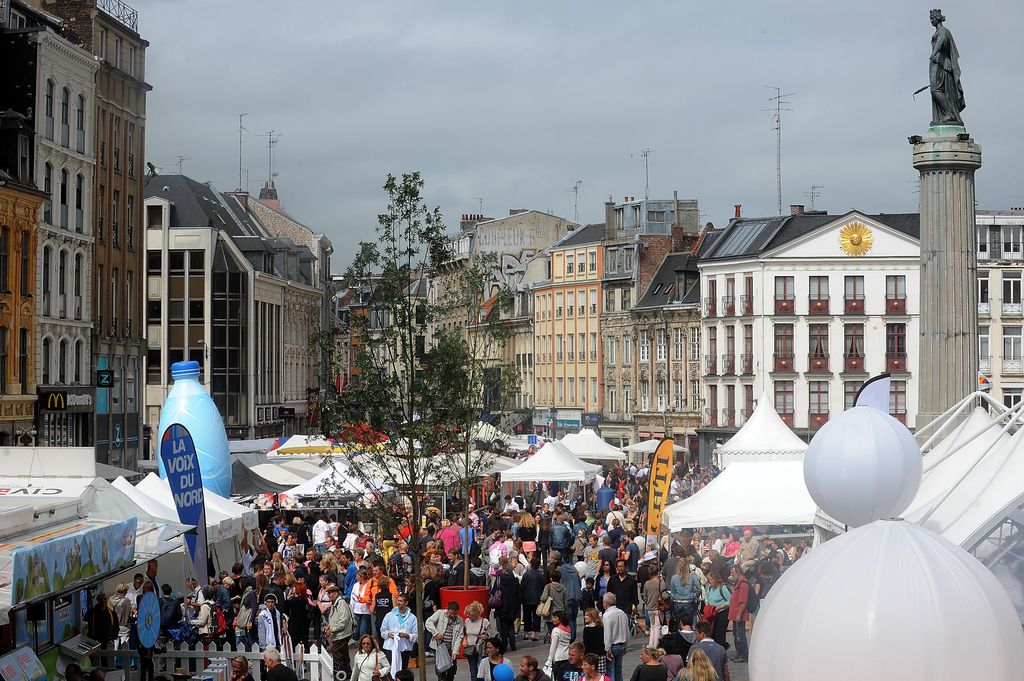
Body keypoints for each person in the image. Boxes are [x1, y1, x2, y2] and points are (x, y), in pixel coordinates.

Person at [425, 601, 465, 681]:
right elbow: (428, 622)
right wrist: (436, 633)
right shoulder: (440, 613)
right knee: (441, 671)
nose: (452, 615)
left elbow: (459, 637)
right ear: (447, 609)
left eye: (455, 613)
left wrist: (455, 651)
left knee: (452, 671)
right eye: (451, 613)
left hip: (451, 648)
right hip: (439, 647)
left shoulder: (460, 620)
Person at [380, 593, 417, 673]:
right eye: (398, 600)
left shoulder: (413, 618)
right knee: (389, 669)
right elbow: (382, 631)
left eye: (401, 601)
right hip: (390, 647)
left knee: (402, 671)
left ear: (406, 603)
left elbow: (416, 636)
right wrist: (388, 634)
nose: (398, 602)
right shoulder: (389, 615)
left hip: (404, 649)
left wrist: (407, 635)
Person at [325, 584, 354, 679]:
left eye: (330, 593)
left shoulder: (341, 603)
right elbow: (335, 618)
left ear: (336, 593)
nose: (328, 595)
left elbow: (343, 620)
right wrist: (330, 626)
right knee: (344, 652)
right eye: (328, 593)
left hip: (342, 633)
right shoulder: (335, 603)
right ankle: (348, 673)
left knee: (336, 650)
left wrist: (333, 629)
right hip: (341, 633)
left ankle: (340, 674)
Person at [495, 562, 523, 651]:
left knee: (503, 626)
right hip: (513, 606)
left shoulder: (499, 580)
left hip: (502, 606)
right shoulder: (515, 580)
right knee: (511, 625)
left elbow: (493, 592)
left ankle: (504, 644)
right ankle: (512, 643)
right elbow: (519, 594)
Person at [601, 593, 629, 681]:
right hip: (621, 644)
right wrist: (626, 645)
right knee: (618, 670)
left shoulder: (607, 615)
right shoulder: (622, 613)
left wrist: (607, 648)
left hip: (612, 646)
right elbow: (626, 630)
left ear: (605, 603)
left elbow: (607, 633)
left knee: (610, 670)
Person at [462, 600, 491, 681]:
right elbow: (464, 633)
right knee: (473, 672)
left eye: (469, 614)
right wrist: (464, 640)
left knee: (483, 671)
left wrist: (486, 636)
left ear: (476, 613)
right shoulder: (467, 621)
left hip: (481, 649)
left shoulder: (484, 621)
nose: (468, 616)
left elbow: (492, 634)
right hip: (470, 649)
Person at [726, 566, 749, 663]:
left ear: (738, 572)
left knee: (740, 636)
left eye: (732, 573)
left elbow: (743, 601)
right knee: (736, 635)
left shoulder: (743, 584)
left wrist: (739, 614)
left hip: (739, 615)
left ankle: (743, 655)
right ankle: (739, 654)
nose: (731, 575)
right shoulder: (738, 584)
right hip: (735, 616)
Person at [669, 560, 700, 631]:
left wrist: (672, 599)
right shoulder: (692, 576)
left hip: (677, 601)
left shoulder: (674, 577)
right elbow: (698, 589)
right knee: (688, 622)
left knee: (678, 623)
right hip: (689, 601)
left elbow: (672, 592)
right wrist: (694, 596)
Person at [521, 556, 546, 642]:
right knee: (536, 616)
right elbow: (543, 587)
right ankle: (534, 633)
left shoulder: (526, 574)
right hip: (537, 598)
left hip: (526, 598)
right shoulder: (540, 575)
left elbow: (522, 586)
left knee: (526, 615)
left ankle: (526, 633)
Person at [704, 572, 730, 648]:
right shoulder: (710, 587)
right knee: (712, 633)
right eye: (709, 580)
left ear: (717, 579)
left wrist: (720, 607)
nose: (710, 582)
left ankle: (721, 649)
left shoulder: (722, 588)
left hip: (722, 613)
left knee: (719, 634)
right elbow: (707, 596)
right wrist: (707, 603)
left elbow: (730, 601)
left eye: (712, 580)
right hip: (712, 613)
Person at [642, 568, 666, 647]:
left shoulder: (647, 583)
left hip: (650, 608)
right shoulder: (661, 583)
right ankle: (655, 645)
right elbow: (665, 595)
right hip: (658, 608)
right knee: (658, 628)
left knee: (652, 627)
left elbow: (644, 596)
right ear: (658, 573)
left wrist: (647, 602)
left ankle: (650, 644)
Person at [539, 570, 567, 638]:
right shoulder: (563, 588)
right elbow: (565, 602)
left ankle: (553, 641)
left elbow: (543, 598)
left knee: (551, 630)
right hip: (560, 612)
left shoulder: (548, 587)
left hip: (551, 612)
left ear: (551, 578)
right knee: (559, 629)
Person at [581, 609, 606, 676]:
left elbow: (586, 645)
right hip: (601, 656)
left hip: (591, 657)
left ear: (592, 617)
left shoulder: (587, 630)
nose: (585, 617)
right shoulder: (601, 627)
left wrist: (584, 656)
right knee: (601, 676)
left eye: (587, 615)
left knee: (589, 675)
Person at [546, 611, 571, 675]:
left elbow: (553, 646)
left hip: (558, 658)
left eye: (555, 618)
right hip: (567, 656)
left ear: (560, 619)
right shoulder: (568, 628)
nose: (552, 619)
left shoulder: (556, 630)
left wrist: (549, 660)